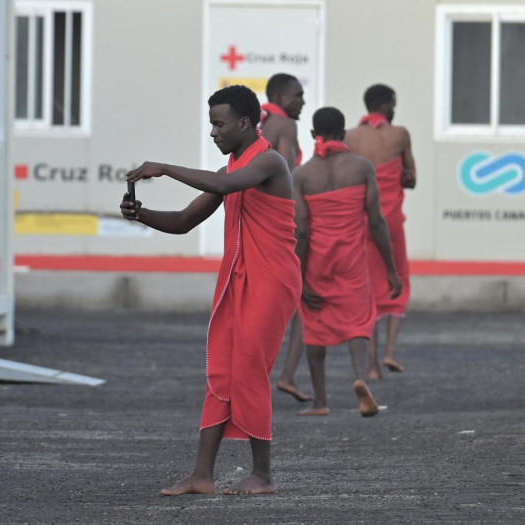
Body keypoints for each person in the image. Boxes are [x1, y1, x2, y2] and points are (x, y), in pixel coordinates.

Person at [120, 85, 300, 496]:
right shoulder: (230, 170)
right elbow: (184, 221)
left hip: (272, 281)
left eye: (219, 125)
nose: (214, 133)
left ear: (244, 124)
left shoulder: (269, 161)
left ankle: (263, 476)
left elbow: (226, 187)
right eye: (211, 125)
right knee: (222, 369)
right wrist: (141, 214)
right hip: (238, 278)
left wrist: (164, 168)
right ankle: (202, 475)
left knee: (250, 368)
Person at [291, 107, 401, 417]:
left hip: (317, 261)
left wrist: (300, 276)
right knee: (358, 324)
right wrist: (391, 270)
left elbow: (301, 230)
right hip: (352, 259)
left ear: (314, 135)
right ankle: (360, 381)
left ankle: (320, 402)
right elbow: (377, 221)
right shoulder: (361, 167)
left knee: (314, 325)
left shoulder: (301, 175)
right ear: (344, 134)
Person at [344, 84, 415, 378]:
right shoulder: (400, 134)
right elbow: (411, 179)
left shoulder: (350, 136)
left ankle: (371, 366)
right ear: (387, 105)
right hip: (391, 222)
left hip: (362, 220)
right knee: (398, 278)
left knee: (367, 288)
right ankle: (390, 353)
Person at [259, 73, 313, 403]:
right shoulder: (286, 125)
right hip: (281, 222)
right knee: (300, 301)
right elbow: (287, 174)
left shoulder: (258, 123)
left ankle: (260, 373)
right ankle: (287, 374)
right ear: (280, 96)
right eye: (297, 96)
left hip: (254, 216)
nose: (302, 101)